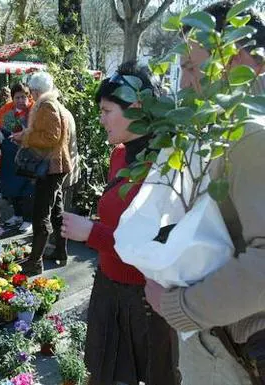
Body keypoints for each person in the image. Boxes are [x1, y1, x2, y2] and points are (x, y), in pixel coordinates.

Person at [142, 3, 265, 385]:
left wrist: (177, 306)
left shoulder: (251, 137)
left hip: (237, 350)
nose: (182, 84)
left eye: (191, 67)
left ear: (240, 59)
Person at [59, 62, 180, 385]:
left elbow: (159, 245)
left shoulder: (165, 166)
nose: (101, 119)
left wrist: (92, 233)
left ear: (137, 107)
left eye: (107, 110)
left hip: (145, 300)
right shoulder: (120, 156)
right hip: (108, 289)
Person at [15, 72, 72, 274]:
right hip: (56, 165)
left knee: (41, 214)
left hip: (50, 167)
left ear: (37, 90)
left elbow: (51, 137)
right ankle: (60, 253)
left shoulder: (46, 105)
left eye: (31, 91)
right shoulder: (52, 103)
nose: (29, 95)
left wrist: (26, 136)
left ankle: (35, 262)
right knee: (55, 212)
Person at [0, 83, 34, 233]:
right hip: (10, 155)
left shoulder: (34, 109)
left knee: (27, 189)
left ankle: (28, 220)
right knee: (11, 185)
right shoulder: (7, 108)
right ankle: (17, 215)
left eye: (24, 97)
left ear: (29, 96)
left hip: (28, 154)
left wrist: (23, 133)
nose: (21, 100)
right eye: (17, 97)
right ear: (13, 98)